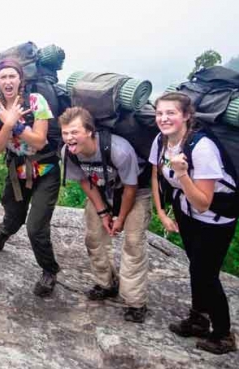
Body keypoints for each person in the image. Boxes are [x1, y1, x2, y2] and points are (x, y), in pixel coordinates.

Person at [150, 92, 239, 354]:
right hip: (185, 212)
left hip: (215, 219)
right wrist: (162, 212)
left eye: (171, 113)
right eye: (159, 113)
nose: (163, 119)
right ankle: (198, 319)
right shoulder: (161, 140)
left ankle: (223, 335)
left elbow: (203, 202)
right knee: (196, 268)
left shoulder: (202, 148)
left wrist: (181, 173)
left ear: (187, 116)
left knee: (207, 274)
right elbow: (155, 176)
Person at [60, 107, 152, 323]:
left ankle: (135, 302)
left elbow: (131, 187)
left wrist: (119, 219)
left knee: (133, 243)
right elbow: (84, 181)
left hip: (135, 193)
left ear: (90, 131)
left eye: (74, 132)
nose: (69, 138)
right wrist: (103, 213)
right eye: (65, 133)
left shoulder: (119, 149)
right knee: (93, 237)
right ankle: (105, 283)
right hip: (102, 189)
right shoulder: (68, 152)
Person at [0, 58, 61, 297]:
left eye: (12, 76)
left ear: (20, 80)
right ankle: (4, 232)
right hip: (17, 171)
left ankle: (49, 271)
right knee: (14, 216)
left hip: (45, 170)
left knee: (35, 227)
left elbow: (39, 141)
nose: (8, 81)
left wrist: (15, 125)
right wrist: (7, 123)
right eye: (3, 77)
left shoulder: (36, 101)